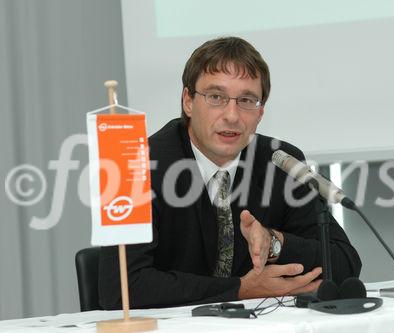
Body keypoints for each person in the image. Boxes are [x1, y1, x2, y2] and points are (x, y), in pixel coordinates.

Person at [99, 36, 361, 309]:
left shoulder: (280, 162)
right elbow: (120, 290)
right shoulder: (136, 164)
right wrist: (240, 290)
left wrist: (275, 243)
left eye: (247, 100)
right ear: (188, 101)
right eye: (216, 97)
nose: (232, 116)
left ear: (260, 113)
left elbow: (344, 261)